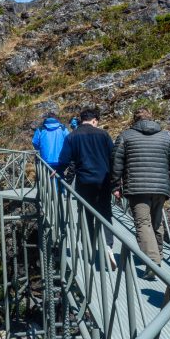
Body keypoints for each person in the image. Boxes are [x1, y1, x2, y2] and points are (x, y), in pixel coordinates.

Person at [110, 108, 170, 279]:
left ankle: (152, 263)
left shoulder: (126, 136)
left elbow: (116, 163)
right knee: (156, 222)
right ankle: (158, 255)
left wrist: (115, 185)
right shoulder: (166, 137)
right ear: (152, 118)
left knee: (143, 224)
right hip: (161, 188)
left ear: (134, 120)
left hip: (137, 188)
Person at [58, 107, 116, 265]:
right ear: (95, 120)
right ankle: (108, 246)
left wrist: (57, 172)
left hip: (83, 181)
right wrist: (116, 181)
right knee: (105, 212)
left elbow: (64, 160)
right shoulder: (104, 134)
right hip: (103, 180)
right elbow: (113, 158)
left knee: (86, 214)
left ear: (81, 119)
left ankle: (90, 247)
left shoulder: (72, 136)